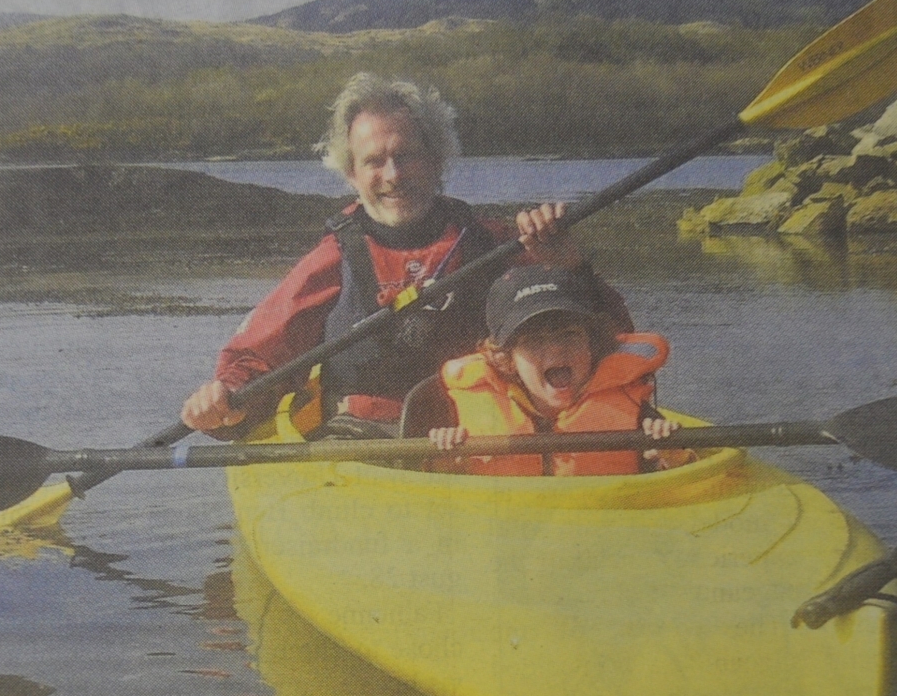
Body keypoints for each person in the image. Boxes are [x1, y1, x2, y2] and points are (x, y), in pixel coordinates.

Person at [180, 71, 632, 437]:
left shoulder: (495, 246)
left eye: (407, 155)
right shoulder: (333, 257)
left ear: (436, 160)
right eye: (374, 161)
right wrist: (226, 400)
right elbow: (258, 359)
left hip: (477, 440)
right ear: (352, 174)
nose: (393, 175)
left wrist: (567, 265)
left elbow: (612, 338)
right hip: (359, 441)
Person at [427, 264, 693, 476]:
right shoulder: (460, 415)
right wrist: (446, 462)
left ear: (593, 344)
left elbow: (682, 482)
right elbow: (439, 491)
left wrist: (671, 456)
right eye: (533, 341)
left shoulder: (636, 415)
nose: (555, 351)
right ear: (506, 360)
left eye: (568, 335)